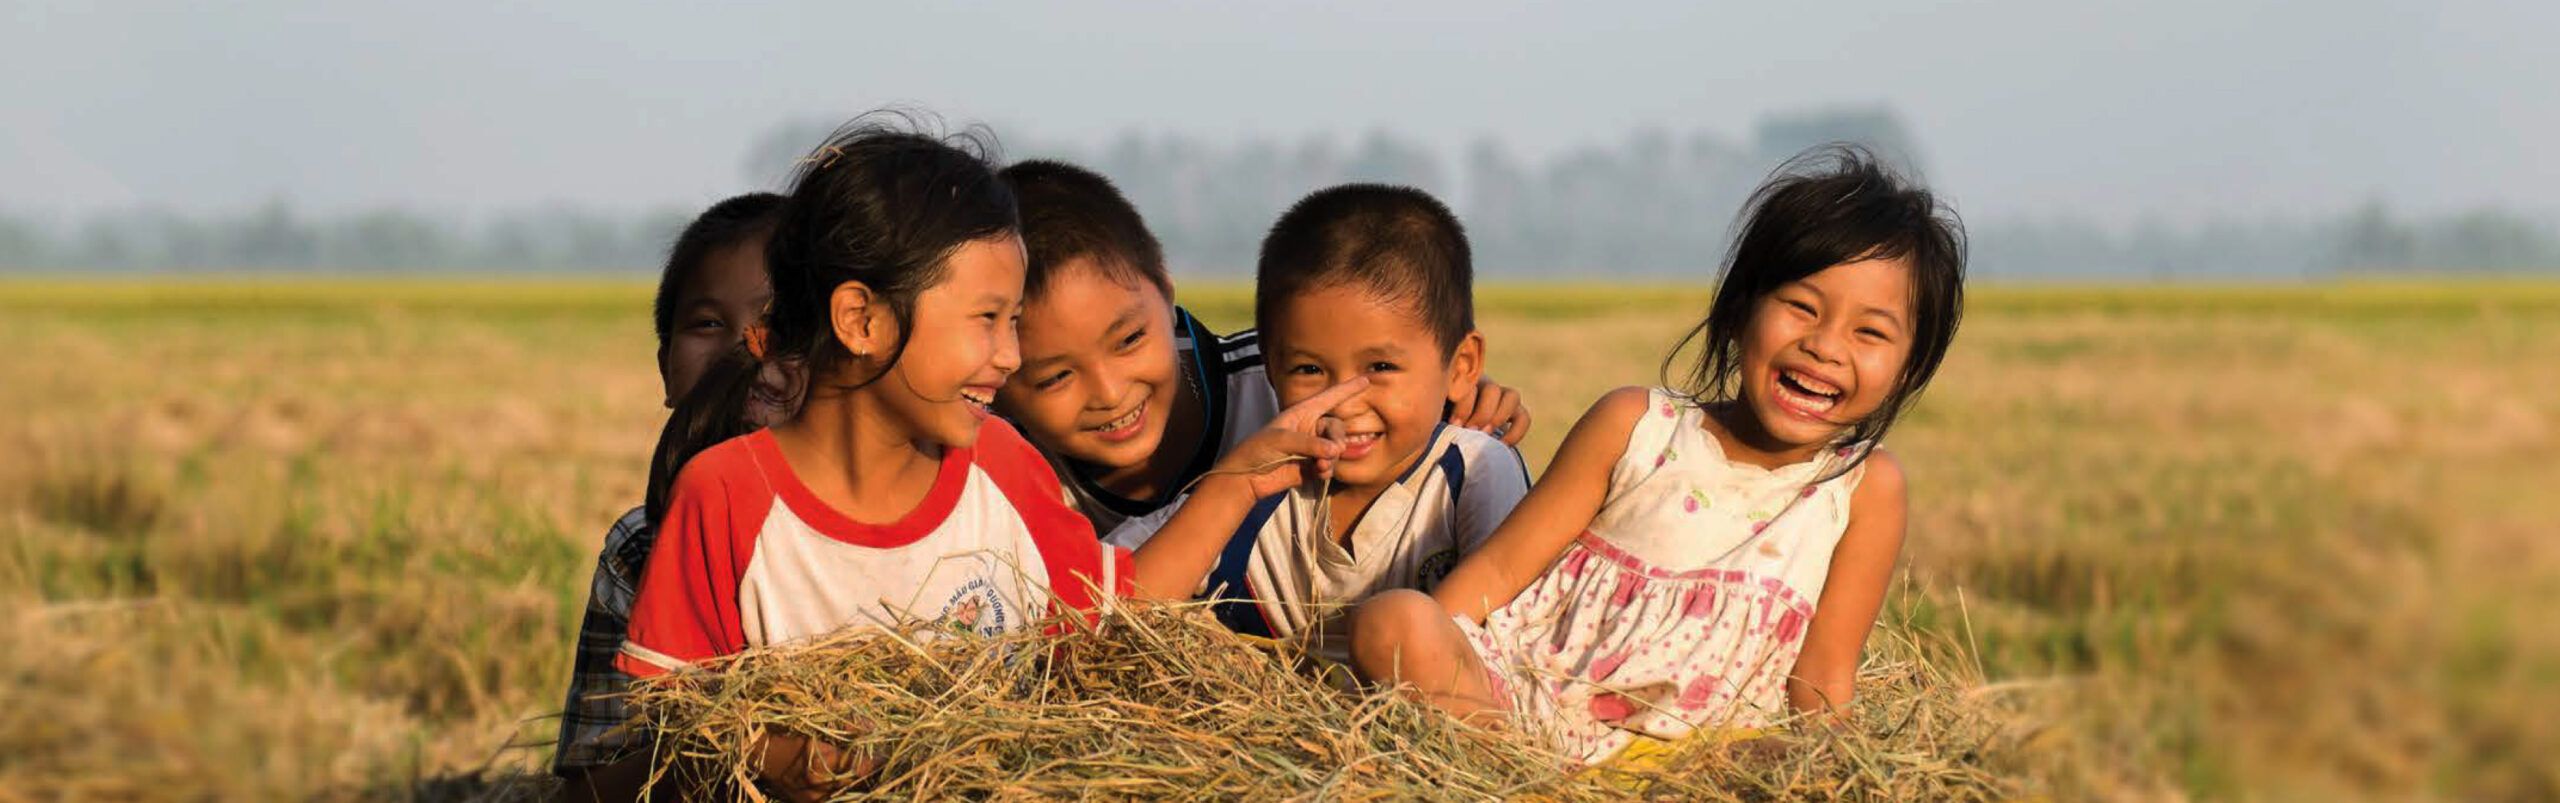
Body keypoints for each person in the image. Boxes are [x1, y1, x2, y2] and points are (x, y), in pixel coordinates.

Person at [616, 115, 1362, 801]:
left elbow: (1114, 619)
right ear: (861, 319)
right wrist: (792, 758)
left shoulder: (999, 466)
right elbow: (675, 718)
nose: (1008, 357)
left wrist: (1236, 486)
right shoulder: (727, 495)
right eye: (987, 321)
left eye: (1012, 324)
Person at [1343, 147, 1967, 764]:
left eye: (1870, 332)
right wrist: (1425, 650)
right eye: (1801, 306)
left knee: (1774, 758)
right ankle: (1526, 779)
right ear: (1740, 308)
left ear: (1909, 366)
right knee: (1389, 620)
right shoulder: (1635, 425)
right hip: (1525, 714)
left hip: (1702, 754)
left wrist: (1839, 771)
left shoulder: (1861, 488)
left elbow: (1823, 679)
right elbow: (1500, 575)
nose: (1826, 346)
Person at [1105, 184, 1530, 664]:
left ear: (1462, 366)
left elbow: (1509, 643)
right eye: (1309, 370)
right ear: (1270, 368)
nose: (1344, 402)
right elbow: (1108, 608)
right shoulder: (1261, 485)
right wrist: (1232, 490)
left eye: (1381, 368)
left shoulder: (1473, 470)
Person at [990, 160, 1532, 535]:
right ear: (1000, 377)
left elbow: (1389, 377)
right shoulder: (989, 461)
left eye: (1130, 339)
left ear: (1165, 284)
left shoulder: (1277, 380)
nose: (1109, 392)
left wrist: (1455, 397)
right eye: (1055, 377)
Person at [553, 191, 790, 800]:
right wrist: (730, 750)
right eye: (708, 324)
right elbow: (589, 789)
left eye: (780, 324)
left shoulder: (896, 522)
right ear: (665, 366)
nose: (745, 348)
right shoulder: (643, 547)